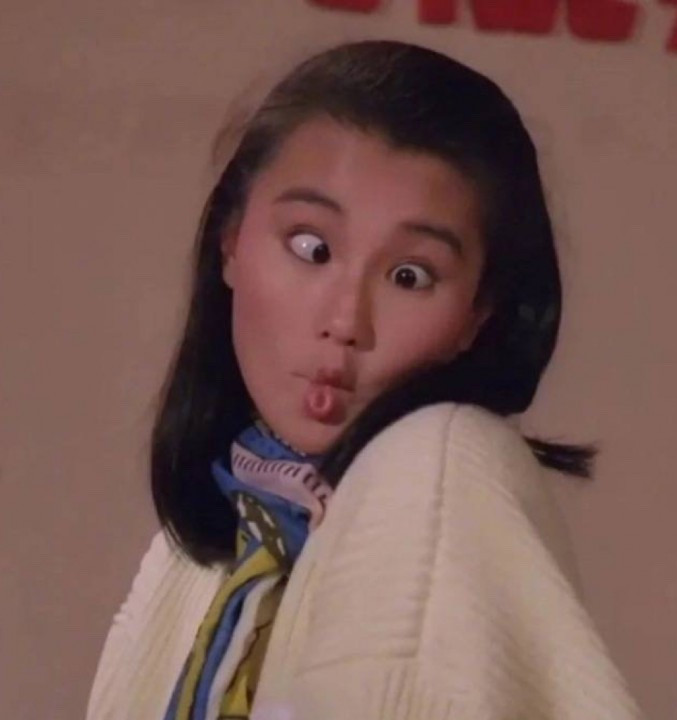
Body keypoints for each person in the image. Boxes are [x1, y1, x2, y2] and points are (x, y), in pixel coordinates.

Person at [86, 40, 643, 720]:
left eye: (410, 276)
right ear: (231, 240)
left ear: (478, 314)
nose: (346, 321)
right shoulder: (219, 542)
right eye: (311, 247)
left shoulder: (439, 467)